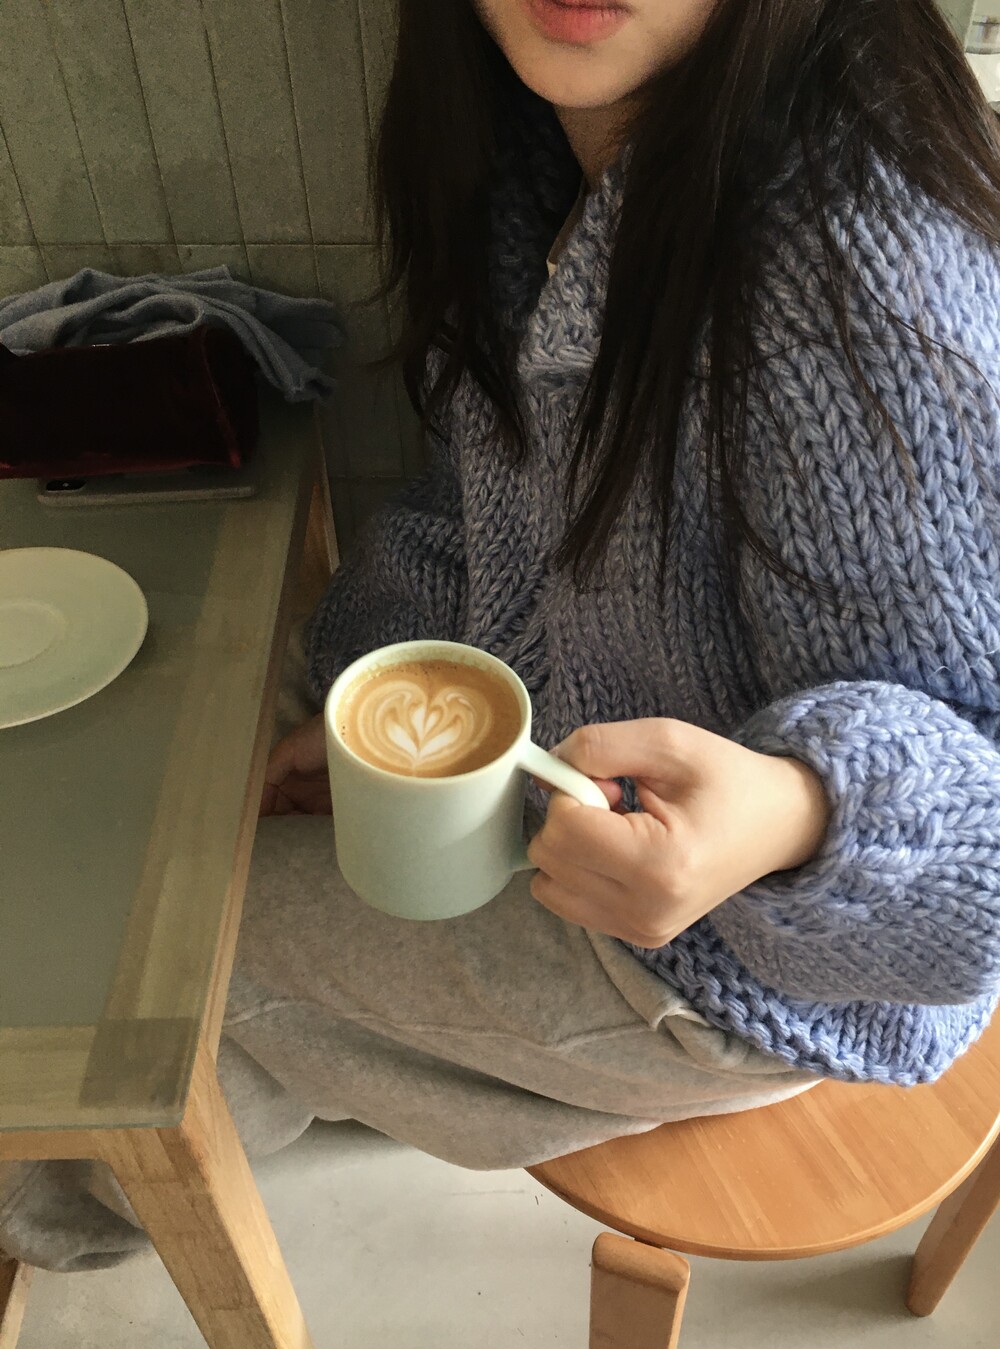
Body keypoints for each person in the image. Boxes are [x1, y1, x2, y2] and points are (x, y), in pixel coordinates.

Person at [6, 0, 1000, 1272]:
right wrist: (357, 699)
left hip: (744, 957)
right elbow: (480, 496)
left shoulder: (862, 295)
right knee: (163, 794)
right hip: (539, 764)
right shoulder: (547, 151)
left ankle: (49, 1213)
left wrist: (797, 812)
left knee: (168, 976)